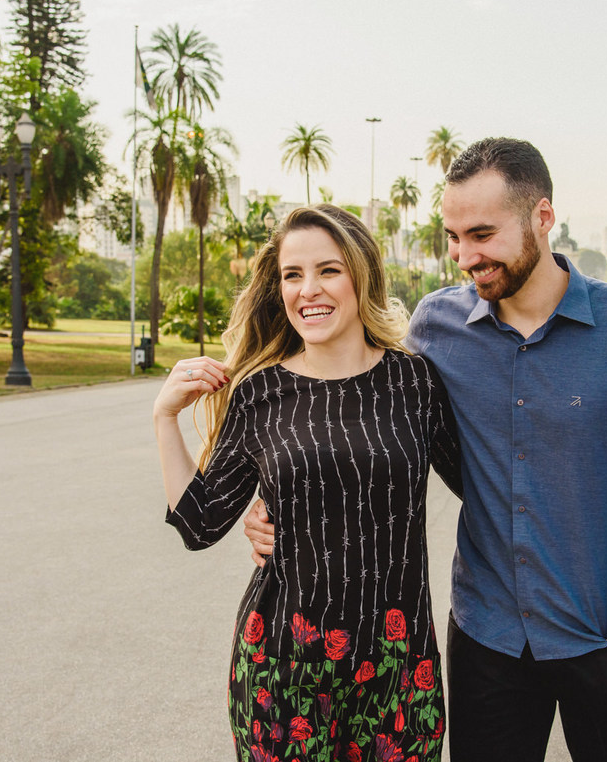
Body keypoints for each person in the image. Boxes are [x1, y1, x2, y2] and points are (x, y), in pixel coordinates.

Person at [246, 138, 607, 762]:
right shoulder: (435, 327)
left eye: (483, 235)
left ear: (542, 217)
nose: (465, 256)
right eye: (454, 237)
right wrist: (276, 498)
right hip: (487, 641)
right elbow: (363, 414)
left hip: (605, 636)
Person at [153, 204, 462, 762]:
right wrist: (164, 417)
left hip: (398, 668)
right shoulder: (259, 393)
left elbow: (484, 484)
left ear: (361, 275)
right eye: (292, 274)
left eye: (328, 270)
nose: (308, 289)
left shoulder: (415, 382)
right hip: (281, 666)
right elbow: (200, 525)